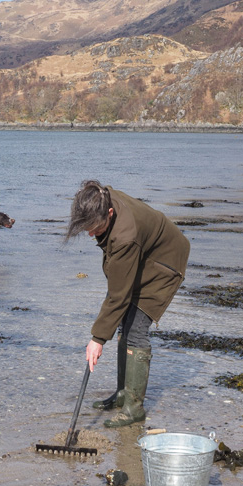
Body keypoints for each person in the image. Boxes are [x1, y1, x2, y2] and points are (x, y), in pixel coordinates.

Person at [65, 179, 190, 427]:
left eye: (95, 228)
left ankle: (134, 407)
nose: (90, 234)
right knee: (124, 323)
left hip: (164, 263)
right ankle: (123, 394)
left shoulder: (125, 236)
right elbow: (118, 289)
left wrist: (97, 339)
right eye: (87, 228)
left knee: (135, 329)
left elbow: (118, 296)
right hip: (146, 252)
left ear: (109, 213)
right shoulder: (99, 197)